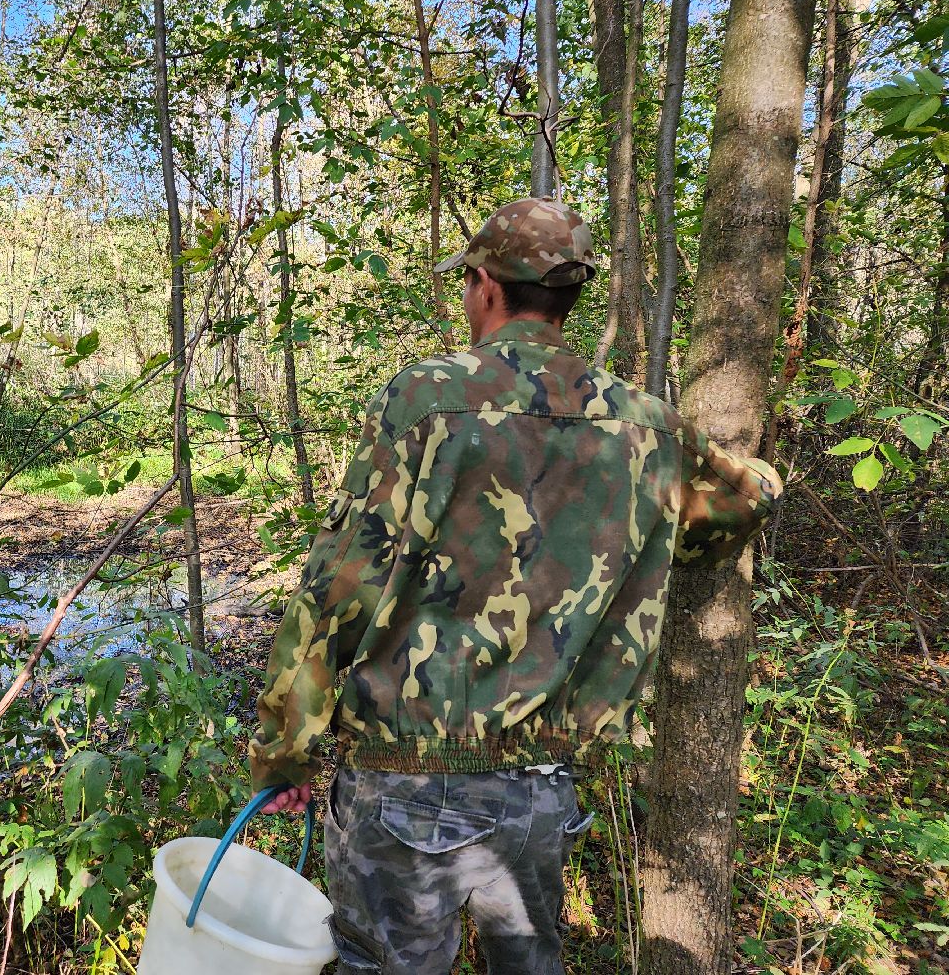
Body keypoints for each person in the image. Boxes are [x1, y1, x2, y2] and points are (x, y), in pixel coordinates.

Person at [247, 196, 783, 975]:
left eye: (467, 282)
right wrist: (680, 521)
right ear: (566, 298)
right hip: (537, 789)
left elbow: (340, 588)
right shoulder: (642, 423)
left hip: (404, 783)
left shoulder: (427, 399)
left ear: (486, 286)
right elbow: (752, 494)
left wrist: (283, 748)